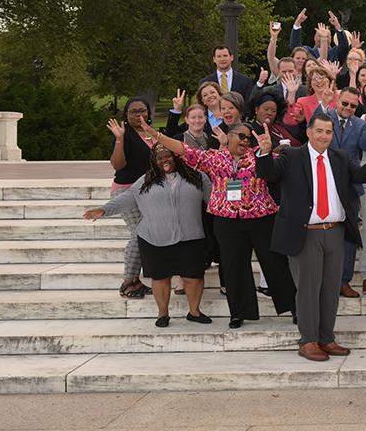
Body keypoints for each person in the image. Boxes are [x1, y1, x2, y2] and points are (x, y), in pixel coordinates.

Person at [254, 113, 366, 360]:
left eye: (328, 132)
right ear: (309, 132)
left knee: (331, 289)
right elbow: (269, 174)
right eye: (319, 131)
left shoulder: (340, 157)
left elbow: (361, 175)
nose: (324, 136)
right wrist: (265, 152)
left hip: (335, 231)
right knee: (308, 290)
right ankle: (308, 340)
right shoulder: (292, 156)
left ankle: (326, 338)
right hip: (306, 234)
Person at [148, 120, 297, 328]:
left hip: (261, 219)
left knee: (275, 263)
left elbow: (277, 172)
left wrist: (266, 151)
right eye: (241, 136)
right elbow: (183, 149)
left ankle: (294, 307)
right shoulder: (215, 158)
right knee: (234, 267)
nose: (245, 141)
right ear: (229, 137)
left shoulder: (261, 155)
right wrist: (157, 136)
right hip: (227, 222)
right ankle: (239, 313)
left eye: (248, 138)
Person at [84, 143, 213, 327]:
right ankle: (163, 314)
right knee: (160, 278)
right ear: (154, 161)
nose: (165, 160)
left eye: (168, 156)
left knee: (194, 277)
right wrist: (104, 210)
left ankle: (194, 312)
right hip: (154, 238)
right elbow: (125, 199)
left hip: (190, 237)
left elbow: (214, 200)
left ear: (177, 157)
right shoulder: (145, 181)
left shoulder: (198, 177)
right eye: (160, 158)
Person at [327, 88, 366, 297]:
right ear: (337, 101)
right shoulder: (323, 118)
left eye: (353, 106)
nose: (348, 108)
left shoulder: (360, 124)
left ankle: (344, 281)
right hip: (324, 183)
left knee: (349, 235)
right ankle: (325, 280)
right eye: (345, 103)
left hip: (349, 186)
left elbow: (365, 146)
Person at [106, 97, 156, 299]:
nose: (138, 114)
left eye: (142, 110)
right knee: (139, 231)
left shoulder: (152, 133)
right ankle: (128, 281)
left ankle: (136, 280)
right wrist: (119, 139)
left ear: (148, 113)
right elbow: (117, 165)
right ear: (126, 115)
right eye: (133, 111)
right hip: (126, 191)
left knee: (146, 232)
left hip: (149, 192)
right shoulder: (124, 134)